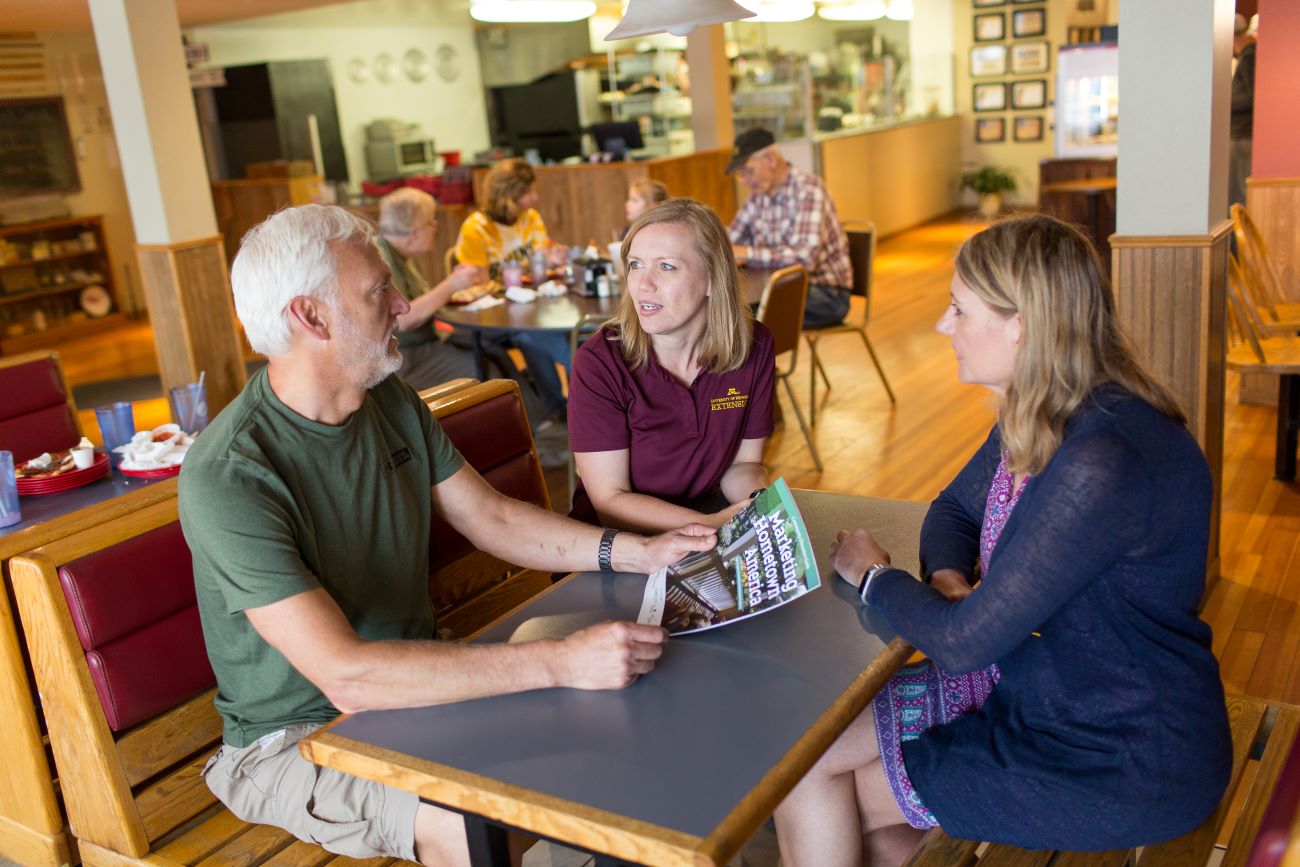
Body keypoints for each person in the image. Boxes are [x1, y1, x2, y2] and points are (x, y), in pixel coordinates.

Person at [179, 204, 716, 867]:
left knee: (622, 731)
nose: (403, 304)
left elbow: (489, 518)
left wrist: (640, 551)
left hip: (418, 685)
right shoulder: (229, 472)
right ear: (311, 317)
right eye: (379, 290)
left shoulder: (385, 397)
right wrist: (560, 661)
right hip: (296, 736)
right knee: (470, 820)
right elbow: (348, 676)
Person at [773, 214, 1231, 865]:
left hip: (1115, 755)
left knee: (808, 779)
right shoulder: (1046, 411)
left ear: (1021, 323)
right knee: (809, 763)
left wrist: (874, 575)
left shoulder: (1100, 460)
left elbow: (962, 643)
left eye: (957, 308)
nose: (942, 325)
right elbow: (951, 512)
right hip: (1048, 693)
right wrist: (950, 582)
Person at [568, 198, 774, 533]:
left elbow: (744, 463)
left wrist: (759, 507)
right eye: (635, 264)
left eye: (666, 266)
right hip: (620, 546)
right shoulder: (600, 363)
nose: (643, 284)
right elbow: (610, 502)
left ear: (712, 278)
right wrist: (710, 525)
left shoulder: (754, 345)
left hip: (708, 527)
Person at [454, 159, 570, 422]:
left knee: (552, 330)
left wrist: (552, 258)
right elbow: (480, 285)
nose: (535, 197)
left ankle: (568, 406)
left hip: (531, 306)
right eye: (528, 192)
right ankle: (563, 406)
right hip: (496, 314)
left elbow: (541, 262)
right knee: (532, 336)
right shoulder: (477, 228)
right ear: (508, 195)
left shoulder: (530, 218)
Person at [725, 127, 853, 329]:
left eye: (747, 171)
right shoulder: (758, 197)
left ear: (770, 160)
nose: (745, 181)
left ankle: (764, 361)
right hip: (778, 286)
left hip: (826, 294)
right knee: (729, 312)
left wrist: (747, 253)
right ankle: (765, 361)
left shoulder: (808, 190)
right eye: (740, 176)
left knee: (741, 319)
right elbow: (730, 239)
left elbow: (804, 259)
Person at [1228, 12, 1257, 215]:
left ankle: (1242, 246)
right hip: (1243, 135)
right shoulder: (1250, 55)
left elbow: (1254, 96)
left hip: (1242, 135)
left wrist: (1227, 103)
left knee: (1240, 194)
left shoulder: (1248, 56)